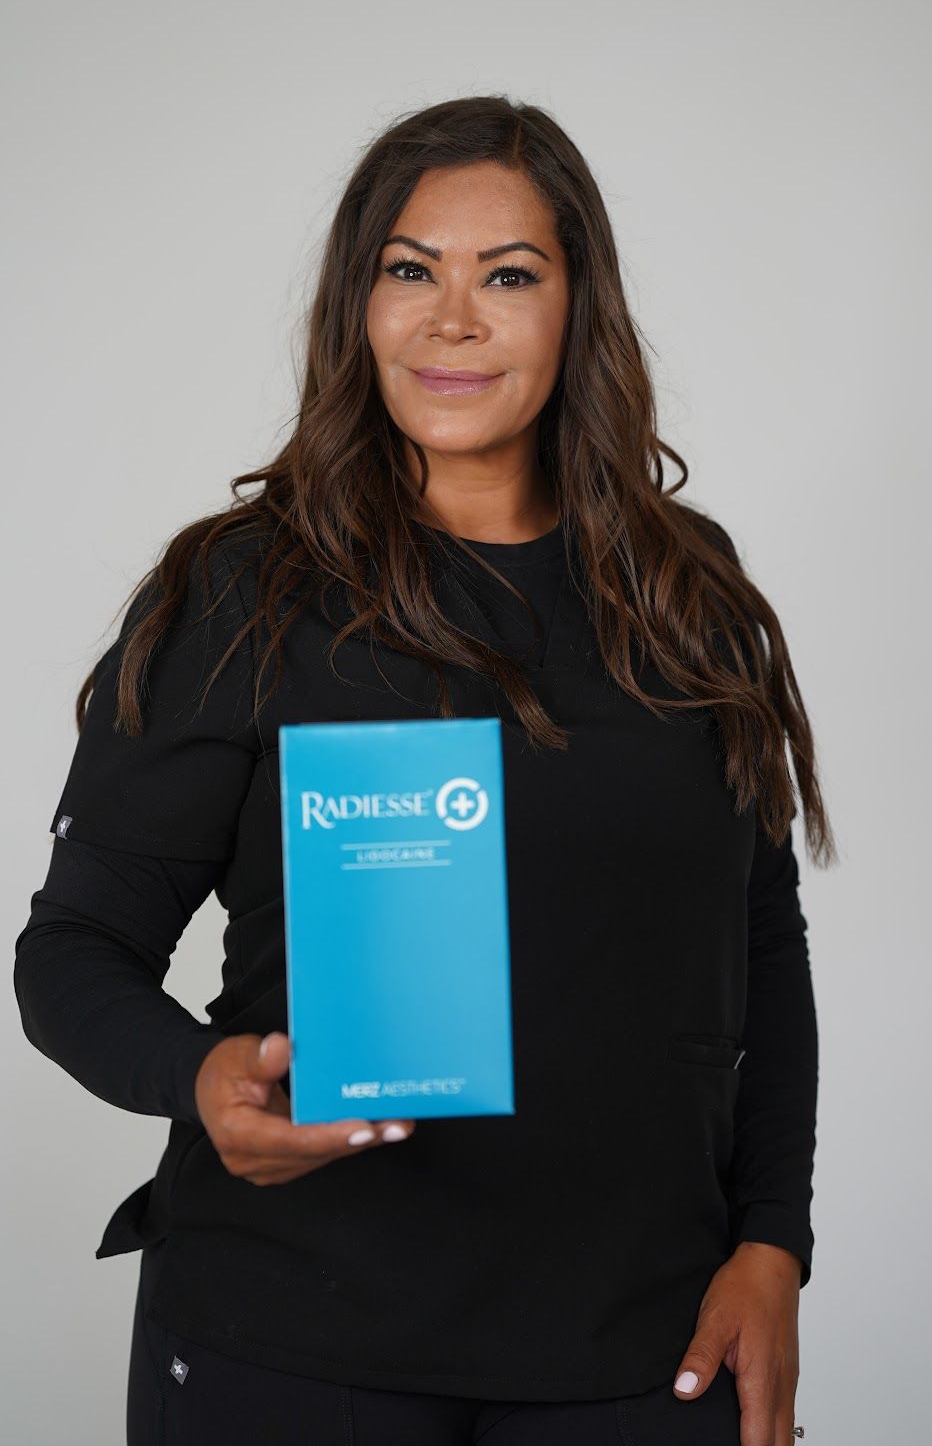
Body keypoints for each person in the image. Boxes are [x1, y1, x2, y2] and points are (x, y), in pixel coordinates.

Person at [14, 94, 834, 1446]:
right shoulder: (242, 596)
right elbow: (74, 950)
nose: (453, 318)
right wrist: (197, 1078)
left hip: (637, 1343)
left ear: (579, 310)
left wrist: (774, 1245)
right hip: (290, 1341)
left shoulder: (687, 596)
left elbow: (762, 944)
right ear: (360, 305)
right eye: (411, 270)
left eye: (509, 275)